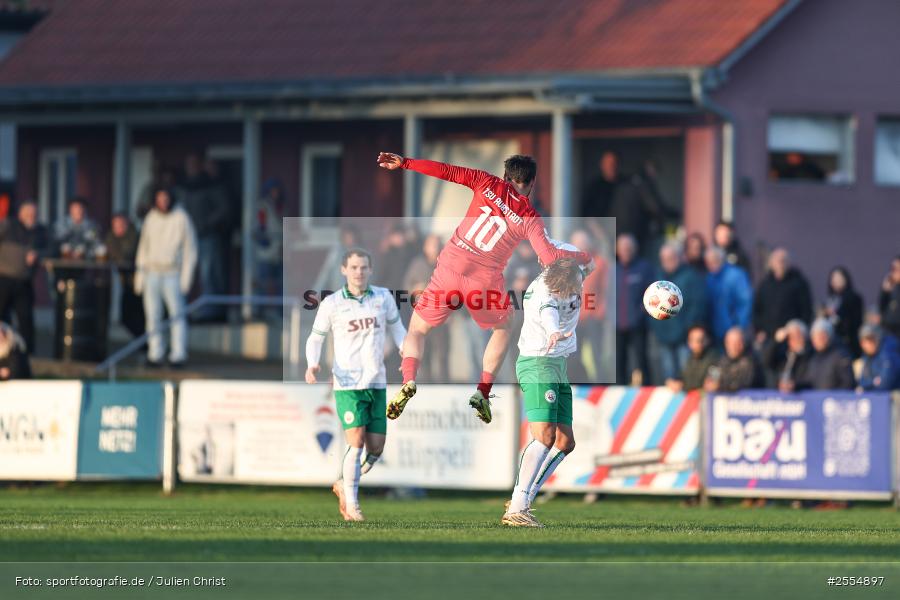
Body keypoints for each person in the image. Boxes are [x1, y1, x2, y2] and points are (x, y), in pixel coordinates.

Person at [376, 152, 592, 423]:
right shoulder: (530, 217)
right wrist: (583, 257)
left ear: (505, 176)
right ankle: (483, 390)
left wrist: (406, 163)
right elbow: (549, 257)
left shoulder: (485, 182)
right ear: (532, 182)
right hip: (484, 282)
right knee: (503, 328)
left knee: (418, 329)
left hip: (450, 269)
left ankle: (408, 380)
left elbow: (446, 171)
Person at [305, 248, 406, 522]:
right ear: (343, 270)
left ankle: (344, 483)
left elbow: (398, 329)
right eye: (353, 267)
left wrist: (406, 353)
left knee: (376, 448)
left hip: (376, 381)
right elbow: (315, 338)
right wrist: (312, 364)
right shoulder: (332, 303)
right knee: (357, 440)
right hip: (347, 382)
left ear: (370, 270)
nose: (358, 272)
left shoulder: (383, 298)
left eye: (363, 267)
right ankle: (352, 505)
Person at [503, 252, 584, 527]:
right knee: (543, 436)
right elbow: (547, 312)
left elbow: (585, 262)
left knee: (565, 442)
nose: (574, 291)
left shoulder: (573, 273)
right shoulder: (543, 292)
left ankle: (522, 499)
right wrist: (553, 332)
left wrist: (584, 260)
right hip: (538, 362)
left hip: (558, 364)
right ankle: (518, 505)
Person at [135, 187, 198, 368]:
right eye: (159, 199)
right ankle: (155, 353)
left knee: (176, 315)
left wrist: (186, 277)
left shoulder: (181, 218)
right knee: (152, 316)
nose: (163, 202)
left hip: (172, 273)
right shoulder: (151, 218)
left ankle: (178, 354)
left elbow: (190, 250)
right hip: (152, 272)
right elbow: (143, 247)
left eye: (166, 198)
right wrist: (140, 275)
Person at [650, 241, 708, 383]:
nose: (667, 262)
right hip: (664, 335)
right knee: (668, 375)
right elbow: (650, 304)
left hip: (684, 335)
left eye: (671, 258)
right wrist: (656, 326)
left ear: (678, 257)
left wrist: (688, 327)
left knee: (686, 374)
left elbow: (697, 304)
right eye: (664, 259)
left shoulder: (690, 276)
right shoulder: (657, 277)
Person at [180, 153, 228, 321]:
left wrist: (205, 223)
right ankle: (184, 311)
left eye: (194, 164)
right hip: (188, 239)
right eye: (188, 164)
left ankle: (211, 312)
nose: (190, 167)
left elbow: (224, 209)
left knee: (208, 275)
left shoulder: (211, 184)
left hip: (207, 236)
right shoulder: (185, 186)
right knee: (186, 275)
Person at [0, 202, 47, 353]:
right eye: (28, 213)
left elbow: (51, 249)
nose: (31, 216)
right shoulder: (8, 226)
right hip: (4, 279)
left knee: (26, 319)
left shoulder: (40, 231)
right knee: (2, 316)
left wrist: (38, 254)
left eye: (34, 214)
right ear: (20, 214)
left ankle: (27, 353)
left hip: (24, 281)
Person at [403, 234, 449, 383]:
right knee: (424, 355)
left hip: (442, 319)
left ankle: (445, 387)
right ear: (425, 247)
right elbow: (407, 287)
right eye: (432, 244)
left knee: (442, 355)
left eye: (438, 244)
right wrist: (417, 289)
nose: (435, 248)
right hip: (422, 318)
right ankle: (426, 387)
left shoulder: (446, 265)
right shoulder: (417, 265)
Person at [569, 229, 609, 383]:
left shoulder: (599, 263)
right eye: (577, 243)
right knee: (574, 354)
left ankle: (599, 385)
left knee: (596, 354)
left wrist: (600, 312)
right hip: (574, 318)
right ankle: (578, 383)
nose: (580, 246)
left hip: (593, 316)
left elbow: (607, 290)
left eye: (583, 243)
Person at [753, 248, 813, 348]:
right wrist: (758, 330)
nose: (780, 264)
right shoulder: (765, 284)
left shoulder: (799, 283)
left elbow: (806, 310)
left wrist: (799, 332)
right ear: (771, 263)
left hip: (791, 338)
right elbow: (757, 310)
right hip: (768, 338)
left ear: (789, 263)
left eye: (783, 261)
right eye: (777, 261)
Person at [615, 233, 652, 385]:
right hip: (617, 325)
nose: (626, 251)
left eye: (629, 248)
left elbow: (653, 293)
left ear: (635, 249)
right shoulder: (614, 269)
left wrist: (643, 311)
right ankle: (619, 389)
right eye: (623, 248)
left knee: (641, 359)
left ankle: (647, 388)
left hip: (638, 324)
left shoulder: (644, 268)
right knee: (618, 361)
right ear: (617, 250)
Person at [105, 213, 144, 339]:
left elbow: (126, 256)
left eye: (121, 225)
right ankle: (143, 343)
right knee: (126, 318)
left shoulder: (134, 237)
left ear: (127, 224)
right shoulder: (111, 238)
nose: (119, 228)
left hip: (137, 282)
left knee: (137, 315)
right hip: (124, 282)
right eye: (115, 226)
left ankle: (145, 344)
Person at [705, 247, 752, 346]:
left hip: (733, 331)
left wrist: (738, 326)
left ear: (721, 259)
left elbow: (745, 303)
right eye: (708, 262)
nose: (710, 265)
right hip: (715, 332)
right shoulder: (709, 278)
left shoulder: (736, 275)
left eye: (714, 261)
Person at [254, 178, 285, 310]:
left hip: (280, 252)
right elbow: (259, 228)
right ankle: (259, 310)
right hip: (266, 253)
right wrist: (264, 240)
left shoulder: (281, 207)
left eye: (277, 190)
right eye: (272, 191)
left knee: (281, 283)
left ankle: (280, 311)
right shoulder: (263, 207)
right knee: (263, 282)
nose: (275, 193)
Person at [704, 327, 764, 393]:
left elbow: (742, 383)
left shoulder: (751, 362)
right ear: (726, 343)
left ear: (743, 344)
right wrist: (711, 384)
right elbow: (710, 381)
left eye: (738, 343)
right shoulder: (719, 362)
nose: (734, 346)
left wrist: (720, 386)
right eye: (731, 343)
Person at [823, 266, 864, 358]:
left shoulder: (853, 297)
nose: (836, 281)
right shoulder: (830, 299)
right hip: (832, 340)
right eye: (834, 279)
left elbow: (855, 321)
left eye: (839, 278)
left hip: (848, 340)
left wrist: (837, 314)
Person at [762, 319, 813, 393]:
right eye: (791, 337)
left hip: (799, 394)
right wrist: (776, 341)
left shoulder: (809, 355)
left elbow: (810, 379)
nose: (795, 340)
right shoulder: (783, 354)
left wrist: (794, 385)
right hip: (777, 394)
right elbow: (766, 361)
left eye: (798, 336)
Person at [667, 324, 718, 392]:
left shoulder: (715, 359)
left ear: (708, 340)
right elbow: (681, 377)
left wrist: (681, 385)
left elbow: (708, 385)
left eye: (700, 340)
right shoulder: (690, 358)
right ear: (688, 342)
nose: (697, 343)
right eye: (692, 340)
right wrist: (674, 382)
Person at [806, 318, 855, 390]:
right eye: (815, 337)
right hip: (817, 396)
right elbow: (809, 382)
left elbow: (848, 383)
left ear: (829, 335)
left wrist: (833, 395)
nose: (818, 339)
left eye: (821, 335)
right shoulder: (813, 358)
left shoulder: (840, 355)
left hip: (835, 396)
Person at [857, 324, 900, 391]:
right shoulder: (867, 355)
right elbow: (862, 381)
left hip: (892, 395)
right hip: (873, 394)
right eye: (863, 342)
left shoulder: (888, 353)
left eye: (871, 340)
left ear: (878, 339)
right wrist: (873, 382)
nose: (867, 345)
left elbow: (885, 384)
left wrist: (869, 384)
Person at [879, 256, 900, 339]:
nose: (893, 272)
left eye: (897, 269)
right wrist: (885, 292)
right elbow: (882, 309)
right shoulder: (892, 288)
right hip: (889, 333)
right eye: (893, 269)